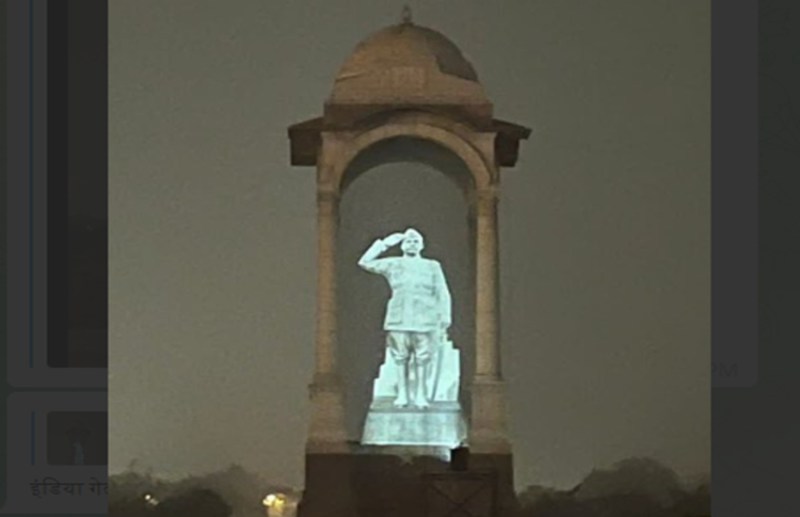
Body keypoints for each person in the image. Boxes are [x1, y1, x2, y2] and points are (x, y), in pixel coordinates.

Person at [358, 228, 451, 408]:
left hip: (425, 317)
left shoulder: (432, 266)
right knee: (400, 358)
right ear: (401, 245)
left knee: (423, 358)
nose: (412, 243)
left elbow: (442, 291)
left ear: (422, 245)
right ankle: (402, 394)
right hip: (399, 316)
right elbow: (364, 262)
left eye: (416, 241)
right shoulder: (394, 264)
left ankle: (420, 395)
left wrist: (445, 314)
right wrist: (385, 243)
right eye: (408, 240)